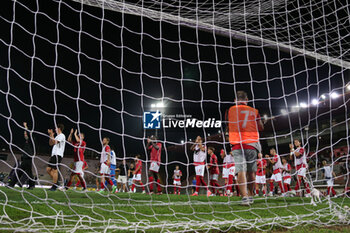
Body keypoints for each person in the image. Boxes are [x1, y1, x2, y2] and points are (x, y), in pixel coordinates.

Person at [228, 91, 264, 205]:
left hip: (237, 143)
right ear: (247, 99)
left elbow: (228, 124)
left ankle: (244, 197)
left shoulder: (231, 110)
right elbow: (261, 127)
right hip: (252, 143)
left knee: (241, 170)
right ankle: (251, 194)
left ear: (235, 100)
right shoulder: (254, 111)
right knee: (251, 171)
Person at [7, 122, 35, 189]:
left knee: (20, 172)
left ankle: (11, 184)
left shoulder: (31, 141)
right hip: (25, 159)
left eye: (26, 134)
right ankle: (32, 185)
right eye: (24, 134)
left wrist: (25, 126)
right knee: (28, 173)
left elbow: (28, 133)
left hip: (28, 159)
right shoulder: (26, 142)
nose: (25, 134)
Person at [47, 123, 66, 191]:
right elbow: (51, 143)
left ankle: (54, 186)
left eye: (56, 128)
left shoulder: (62, 135)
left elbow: (55, 142)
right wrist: (51, 134)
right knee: (48, 169)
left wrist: (52, 134)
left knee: (55, 170)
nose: (55, 129)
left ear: (59, 128)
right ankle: (56, 182)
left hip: (58, 154)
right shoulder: (57, 136)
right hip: (54, 154)